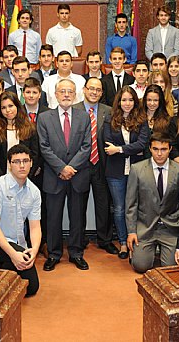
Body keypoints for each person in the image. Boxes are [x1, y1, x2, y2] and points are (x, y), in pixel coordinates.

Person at [37, 79, 91, 271]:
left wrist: (71, 168)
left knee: (77, 217)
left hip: (78, 175)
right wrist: (61, 168)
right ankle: (53, 254)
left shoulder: (84, 117)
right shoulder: (44, 118)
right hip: (54, 176)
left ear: (75, 94)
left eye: (70, 91)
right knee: (53, 217)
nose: (66, 94)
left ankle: (76, 253)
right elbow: (44, 147)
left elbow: (86, 147)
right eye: (62, 91)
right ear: (56, 94)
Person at [126, 133, 179, 272]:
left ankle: (162, 250)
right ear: (150, 149)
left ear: (170, 149)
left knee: (172, 268)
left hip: (170, 227)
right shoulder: (137, 169)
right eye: (155, 149)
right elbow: (131, 204)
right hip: (145, 226)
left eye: (163, 149)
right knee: (140, 266)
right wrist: (131, 232)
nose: (159, 154)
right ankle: (144, 252)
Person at [0, 144, 42, 296]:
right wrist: (12, 254)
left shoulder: (34, 192)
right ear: (9, 165)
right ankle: (1, 270)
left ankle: (4, 273)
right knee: (18, 276)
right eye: (16, 162)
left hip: (19, 247)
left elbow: (35, 226)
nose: (22, 165)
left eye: (25, 161)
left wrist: (34, 250)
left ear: (31, 163)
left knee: (31, 289)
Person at [72, 77, 118, 255]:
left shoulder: (109, 111)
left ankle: (105, 239)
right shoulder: (74, 109)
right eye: (91, 89)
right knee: (79, 205)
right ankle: (80, 238)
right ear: (84, 89)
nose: (94, 92)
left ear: (101, 92)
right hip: (80, 165)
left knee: (103, 204)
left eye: (98, 90)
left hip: (102, 164)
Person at [104, 86, 150, 259]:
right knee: (119, 208)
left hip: (137, 170)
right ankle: (123, 243)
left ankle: (137, 243)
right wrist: (128, 149)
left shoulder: (141, 119)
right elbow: (108, 146)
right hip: (115, 172)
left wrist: (120, 149)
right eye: (124, 100)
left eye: (130, 100)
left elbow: (142, 144)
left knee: (137, 207)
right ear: (118, 101)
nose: (127, 103)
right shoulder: (110, 119)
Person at [0, 91, 40, 181]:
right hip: (0, 178)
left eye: (10, 106)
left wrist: (27, 176)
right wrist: (0, 178)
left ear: (17, 106)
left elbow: (35, 154)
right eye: (3, 107)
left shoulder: (29, 127)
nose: (8, 110)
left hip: (25, 178)